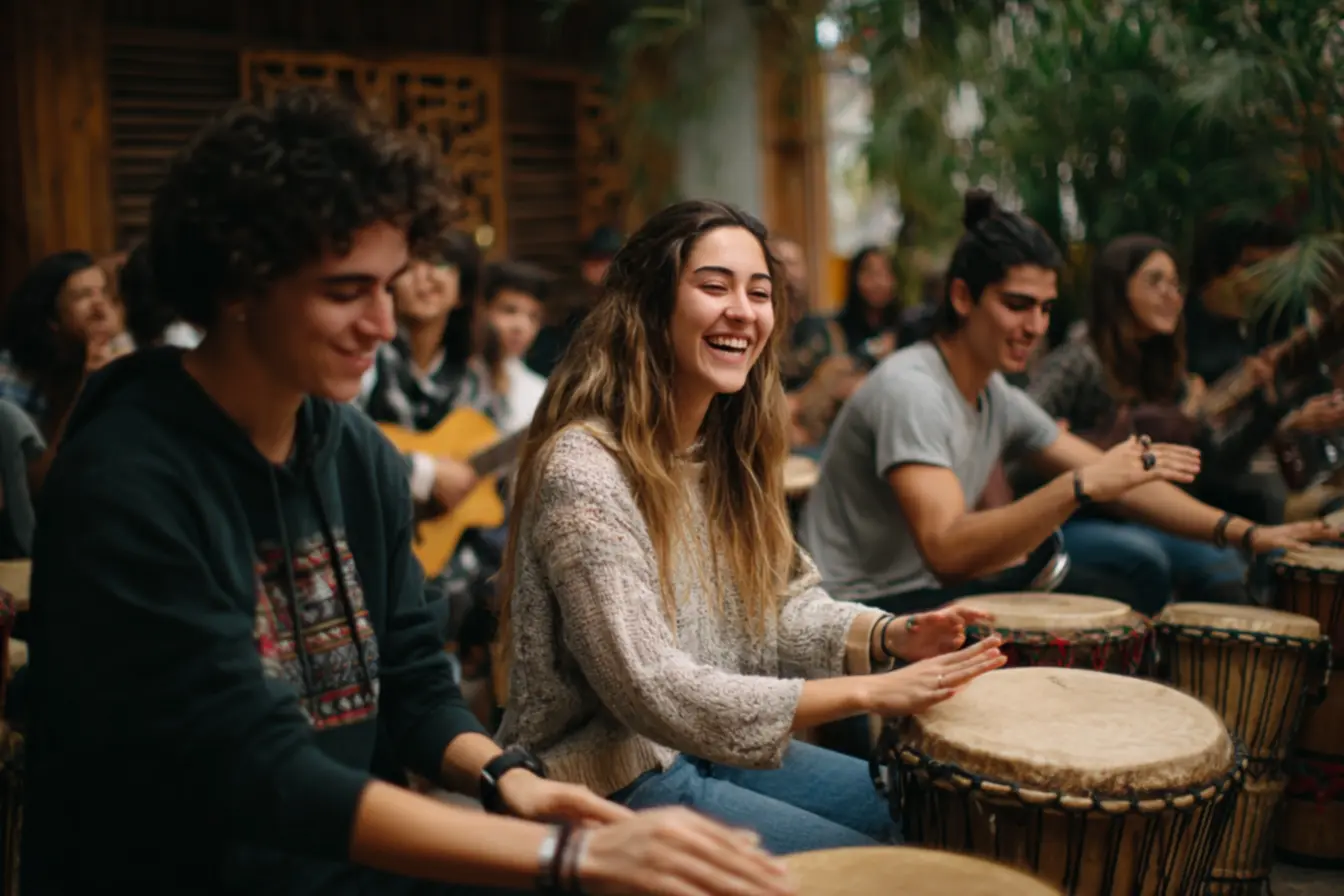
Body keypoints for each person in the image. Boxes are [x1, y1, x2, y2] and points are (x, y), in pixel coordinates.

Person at [22, 88, 797, 896]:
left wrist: (508, 779)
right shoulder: (128, 477)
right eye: (344, 290)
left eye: (389, 286)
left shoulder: (354, 452)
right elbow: (251, 767)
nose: (384, 324)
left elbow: (412, 676)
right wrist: (569, 859)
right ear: (236, 285)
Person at [494, 199, 1007, 856]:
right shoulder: (584, 469)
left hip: (703, 746)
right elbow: (650, 686)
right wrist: (868, 691)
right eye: (715, 286)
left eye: (760, 293)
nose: (744, 309)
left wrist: (889, 634)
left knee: (938, 814)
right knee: (881, 865)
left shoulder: (721, 453)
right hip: (602, 780)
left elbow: (773, 604)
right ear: (651, 304)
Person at [798, 191, 1337, 616]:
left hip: (925, 591)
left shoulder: (995, 396)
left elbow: (1130, 486)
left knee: (1119, 597)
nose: (1034, 327)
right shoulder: (912, 389)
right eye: (1017, 306)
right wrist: (1080, 486)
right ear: (962, 298)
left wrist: (1246, 533)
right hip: (859, 606)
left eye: (1046, 309)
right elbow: (945, 547)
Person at [476, 259, 552, 434]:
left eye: (533, 317)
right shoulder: (458, 377)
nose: (521, 326)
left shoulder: (539, 393)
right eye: (509, 311)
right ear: (482, 311)